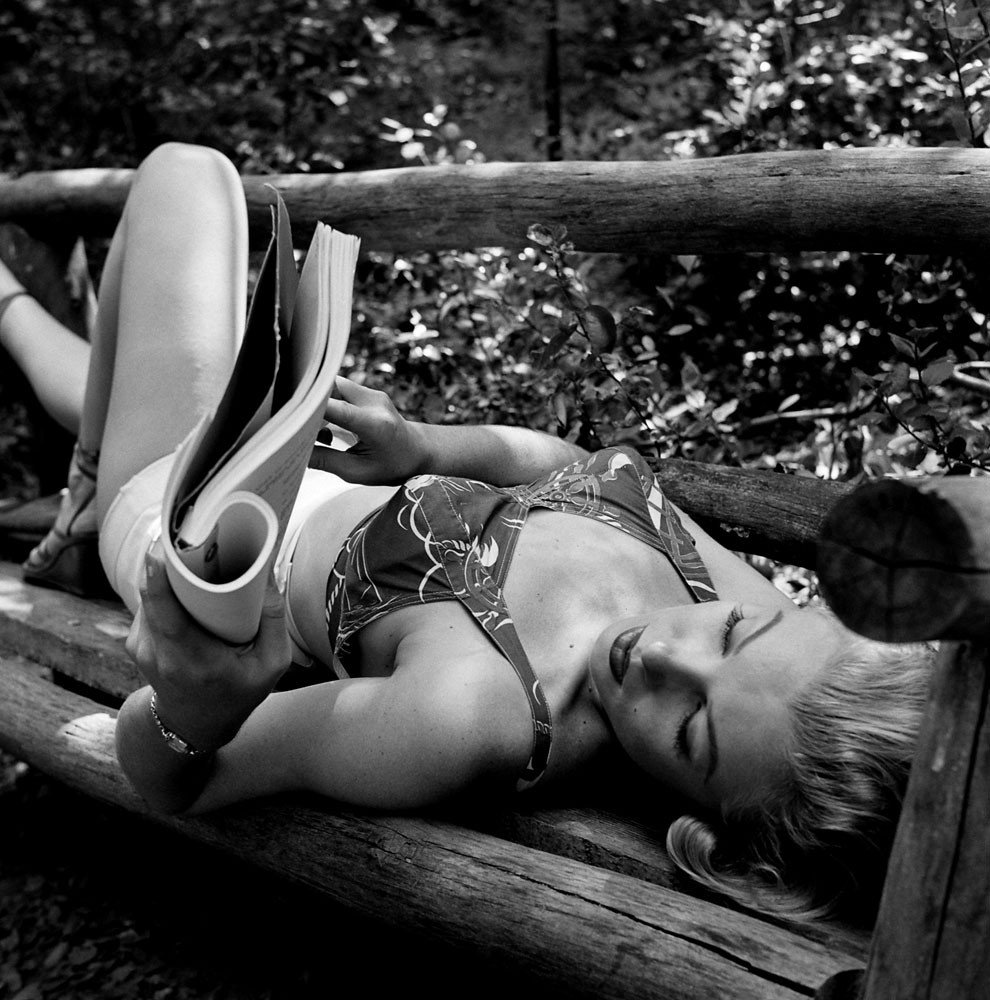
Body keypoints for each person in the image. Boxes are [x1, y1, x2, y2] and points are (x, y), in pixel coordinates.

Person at [0, 142, 933, 921]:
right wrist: (423, 444)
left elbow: (180, 780)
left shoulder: (469, 717)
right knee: (142, 335)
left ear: (709, 827)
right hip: (289, 463)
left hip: (192, 524)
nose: (662, 652)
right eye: (732, 630)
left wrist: (194, 707)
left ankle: (85, 463)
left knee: (186, 173)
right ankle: (65, 420)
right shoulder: (778, 659)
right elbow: (574, 466)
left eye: (690, 731)